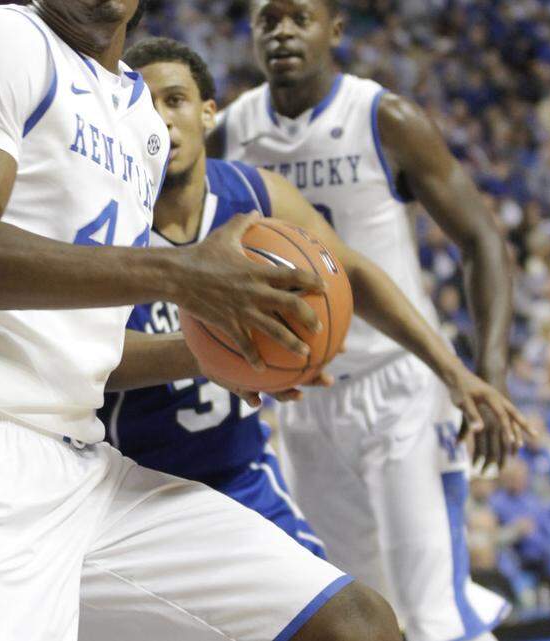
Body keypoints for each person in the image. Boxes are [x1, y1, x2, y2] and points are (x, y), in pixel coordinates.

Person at [0, 1, 400, 640]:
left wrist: (215, 347)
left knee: (352, 626)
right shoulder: (5, 37)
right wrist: (182, 275)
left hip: (84, 468)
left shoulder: (141, 122)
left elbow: (87, 347)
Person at [102, 37, 524, 559]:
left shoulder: (257, 195)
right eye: (143, 104)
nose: (161, 118)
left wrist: (453, 371)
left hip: (241, 480)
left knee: (354, 620)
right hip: (131, 488)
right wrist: (213, 348)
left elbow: (354, 274)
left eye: (175, 100)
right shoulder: (106, 216)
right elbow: (88, 357)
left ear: (208, 113)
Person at [214, 1, 531, 639]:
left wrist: (488, 372)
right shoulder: (231, 132)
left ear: (335, 30)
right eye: (266, 20)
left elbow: (483, 241)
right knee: (362, 612)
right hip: (304, 391)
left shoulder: (385, 118)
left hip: (401, 385)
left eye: (298, 17)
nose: (281, 32)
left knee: (431, 610)